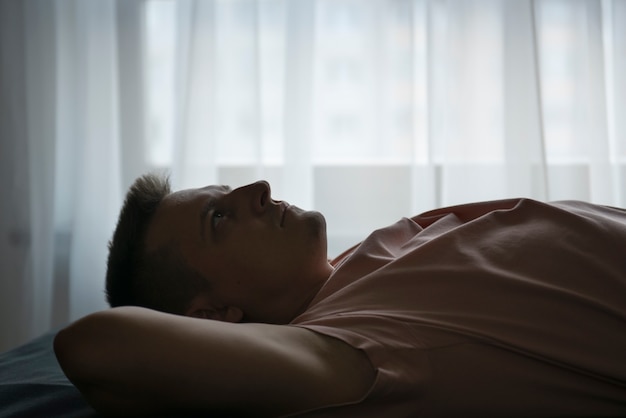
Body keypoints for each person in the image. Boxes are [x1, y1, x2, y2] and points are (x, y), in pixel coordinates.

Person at [54, 173, 626, 417]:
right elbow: (95, 347)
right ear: (212, 316)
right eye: (219, 218)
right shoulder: (342, 349)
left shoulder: (364, 262)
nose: (259, 188)